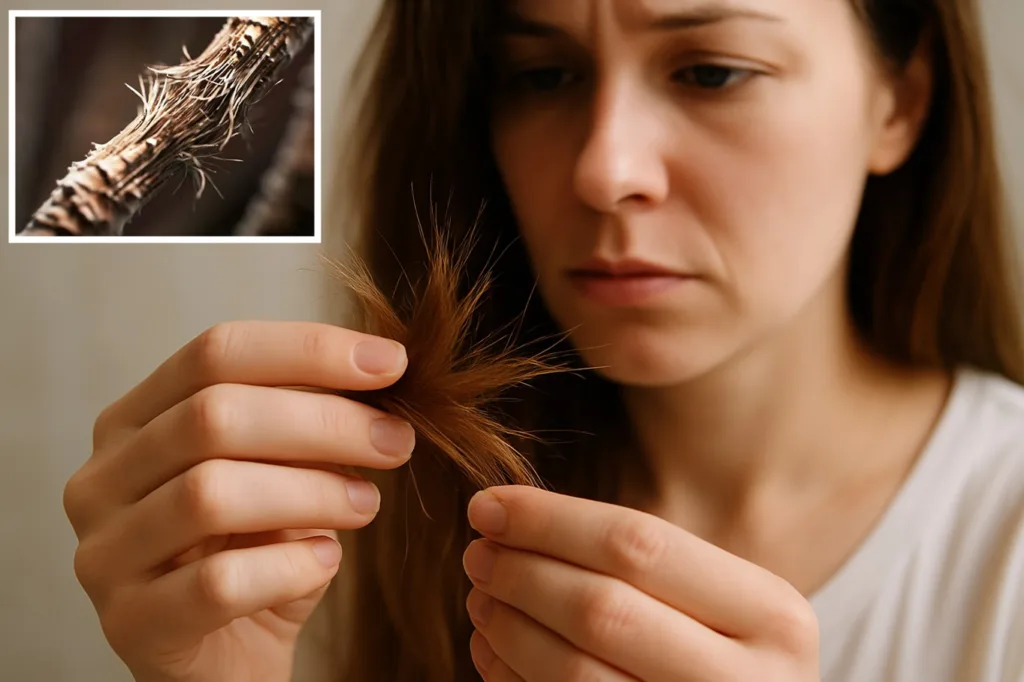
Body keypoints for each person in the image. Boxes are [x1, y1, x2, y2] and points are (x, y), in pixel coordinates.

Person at [62, 1, 1024, 681]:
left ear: (899, 101)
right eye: (543, 75)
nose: (606, 168)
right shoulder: (355, 542)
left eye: (711, 71)